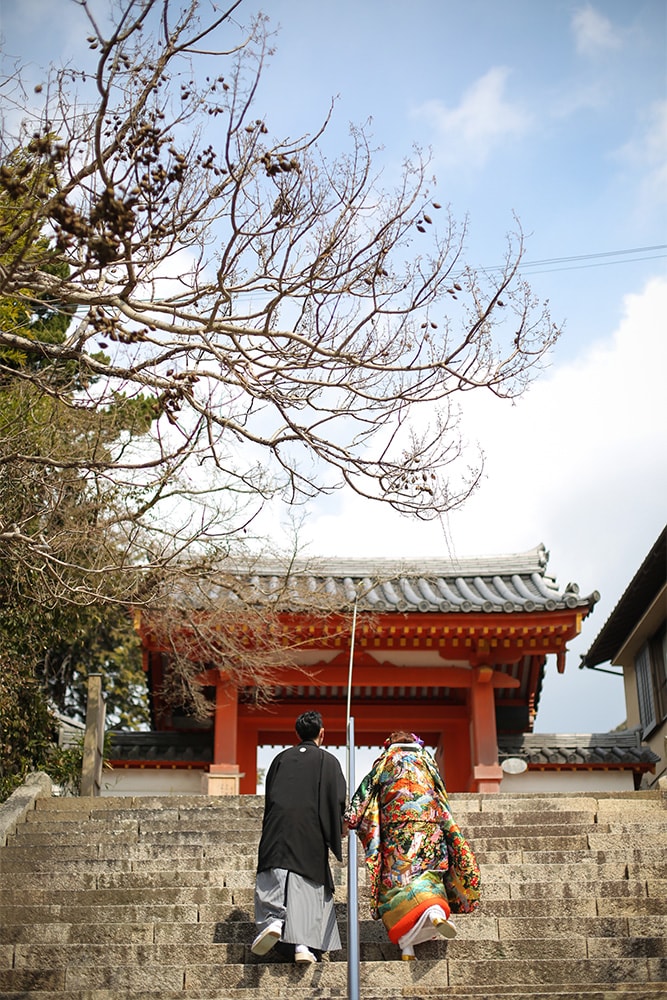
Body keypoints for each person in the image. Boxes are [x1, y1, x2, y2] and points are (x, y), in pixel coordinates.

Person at [345, 730, 481, 961]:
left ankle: (406, 945)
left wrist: (350, 817)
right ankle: (435, 913)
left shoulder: (387, 759)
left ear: (391, 743)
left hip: (398, 831)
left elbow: (367, 789)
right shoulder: (427, 760)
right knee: (429, 876)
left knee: (397, 882)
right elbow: (440, 792)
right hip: (429, 827)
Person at [251, 710, 347, 964]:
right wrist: (338, 829)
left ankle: (273, 923)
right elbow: (337, 800)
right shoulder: (328, 761)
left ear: (297, 734)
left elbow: (271, 795)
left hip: (278, 829)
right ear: (322, 734)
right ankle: (303, 946)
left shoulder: (280, 758)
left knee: (276, 876)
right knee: (305, 887)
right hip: (310, 831)